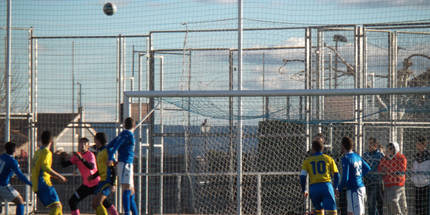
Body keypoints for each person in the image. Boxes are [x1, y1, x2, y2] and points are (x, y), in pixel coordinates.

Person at [60, 137, 119, 215]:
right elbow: (64, 165)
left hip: (96, 184)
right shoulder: (77, 156)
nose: (82, 145)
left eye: (85, 144)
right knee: (72, 201)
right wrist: (62, 156)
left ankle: (115, 213)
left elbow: (91, 166)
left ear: (88, 146)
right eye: (81, 143)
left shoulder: (90, 155)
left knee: (104, 203)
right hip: (86, 185)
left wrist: (81, 158)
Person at [31, 130, 67, 215]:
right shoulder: (47, 152)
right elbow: (45, 167)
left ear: (41, 140)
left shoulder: (37, 152)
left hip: (37, 184)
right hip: (44, 183)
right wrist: (59, 176)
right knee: (57, 206)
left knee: (56, 206)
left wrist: (52, 176)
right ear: (51, 141)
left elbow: (36, 167)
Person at [107, 117, 138, 215]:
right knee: (126, 190)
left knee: (131, 193)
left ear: (124, 125)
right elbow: (114, 148)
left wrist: (113, 158)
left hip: (126, 164)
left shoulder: (123, 134)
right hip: (125, 164)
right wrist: (111, 158)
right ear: (134, 126)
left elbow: (110, 146)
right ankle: (127, 213)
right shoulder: (128, 135)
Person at [300, 139, 340, 215]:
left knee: (318, 211)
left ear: (313, 148)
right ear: (322, 148)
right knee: (332, 212)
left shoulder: (307, 161)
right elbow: (336, 174)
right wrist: (336, 187)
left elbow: (302, 176)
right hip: (326, 187)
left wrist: (304, 189)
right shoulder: (328, 158)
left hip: (314, 188)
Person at [338, 137, 371, 215]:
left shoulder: (346, 158)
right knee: (351, 212)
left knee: (357, 213)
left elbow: (345, 177)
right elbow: (367, 168)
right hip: (360, 187)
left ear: (343, 146)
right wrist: (358, 176)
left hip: (354, 190)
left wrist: (339, 188)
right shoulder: (357, 156)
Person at [0, 142, 32, 215]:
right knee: (20, 201)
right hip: (3, 185)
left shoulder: (2, 157)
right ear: (14, 150)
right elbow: (20, 175)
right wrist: (30, 183)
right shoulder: (12, 161)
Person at [90, 132, 117, 215]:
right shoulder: (99, 152)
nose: (94, 142)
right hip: (102, 181)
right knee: (95, 204)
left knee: (98, 202)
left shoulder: (107, 150)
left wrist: (113, 183)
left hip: (108, 181)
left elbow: (113, 166)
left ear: (98, 140)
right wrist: (93, 176)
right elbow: (101, 169)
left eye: (95, 140)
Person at [378, 141, 407, 215]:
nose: (389, 150)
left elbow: (401, 170)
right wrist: (386, 170)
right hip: (387, 184)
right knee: (389, 205)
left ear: (395, 149)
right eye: (388, 149)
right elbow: (380, 168)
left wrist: (388, 170)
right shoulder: (385, 158)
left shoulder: (401, 158)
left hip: (398, 184)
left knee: (393, 201)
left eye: (391, 149)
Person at [362, 137, 384, 215]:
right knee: (371, 205)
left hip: (378, 182)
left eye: (372, 144)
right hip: (369, 183)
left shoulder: (380, 155)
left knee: (379, 205)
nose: (370, 145)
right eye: (369, 143)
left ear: (375, 145)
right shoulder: (365, 155)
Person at [411, 136, 430, 215]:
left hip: (426, 185)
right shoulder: (416, 156)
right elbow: (413, 169)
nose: (417, 145)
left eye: (418, 144)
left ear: (423, 145)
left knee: (426, 209)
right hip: (417, 185)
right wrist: (414, 178)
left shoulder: (428, 156)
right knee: (418, 209)